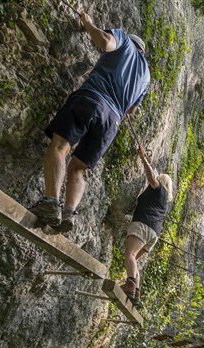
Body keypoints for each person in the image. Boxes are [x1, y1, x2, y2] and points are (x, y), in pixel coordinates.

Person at [30, 12, 150, 232]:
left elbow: (105, 42)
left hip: (92, 98)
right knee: (78, 169)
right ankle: (68, 213)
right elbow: (131, 109)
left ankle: (51, 203)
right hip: (112, 122)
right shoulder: (146, 76)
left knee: (59, 147)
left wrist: (87, 23)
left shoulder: (123, 39)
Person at [120, 145, 173, 303]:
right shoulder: (164, 201)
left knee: (129, 255)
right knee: (134, 259)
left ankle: (130, 285)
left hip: (143, 225)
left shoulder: (159, 189)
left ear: (161, 182)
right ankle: (136, 293)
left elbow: (151, 177)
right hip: (154, 233)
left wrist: (143, 157)